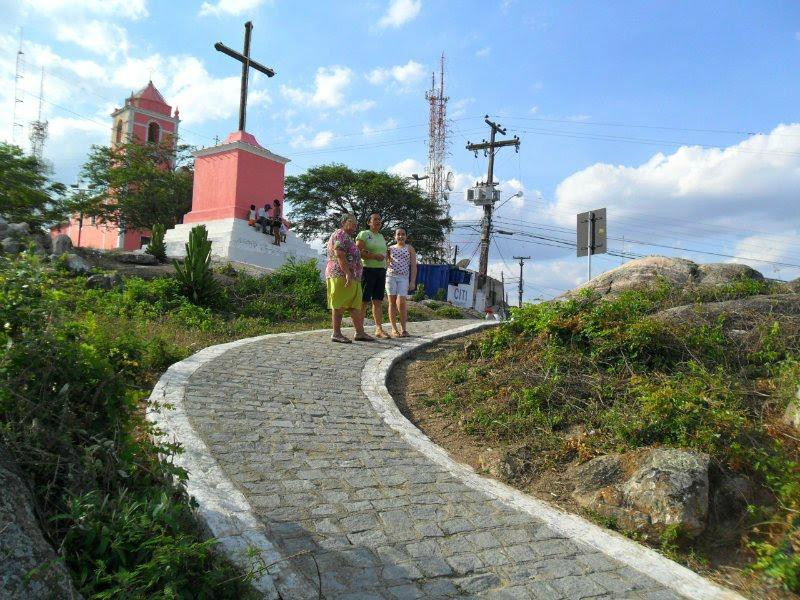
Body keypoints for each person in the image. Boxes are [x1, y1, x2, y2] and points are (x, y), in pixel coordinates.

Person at [326, 214, 374, 343]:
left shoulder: (348, 237)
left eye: (356, 223)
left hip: (353, 277)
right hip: (341, 275)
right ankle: (336, 333)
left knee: (354, 306)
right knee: (339, 305)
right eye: (352, 222)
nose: (355, 225)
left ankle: (360, 333)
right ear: (343, 222)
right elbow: (339, 255)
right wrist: (347, 273)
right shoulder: (339, 235)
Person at [356, 212, 389, 338]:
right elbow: (358, 251)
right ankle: (359, 330)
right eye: (374, 219)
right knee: (363, 301)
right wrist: (375, 256)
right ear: (369, 222)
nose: (377, 222)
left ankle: (379, 329)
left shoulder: (381, 236)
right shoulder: (364, 234)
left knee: (378, 301)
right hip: (367, 270)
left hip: (381, 271)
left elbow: (385, 253)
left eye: (379, 220)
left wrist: (385, 259)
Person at [385, 228, 417, 337]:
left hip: (403, 278)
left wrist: (412, 281)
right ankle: (394, 329)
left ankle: (404, 329)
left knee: (402, 302)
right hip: (391, 277)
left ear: (406, 236)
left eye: (403, 234)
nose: (400, 236)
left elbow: (413, 266)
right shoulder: (390, 248)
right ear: (395, 237)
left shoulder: (410, 248)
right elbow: (385, 262)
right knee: (392, 303)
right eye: (398, 234)